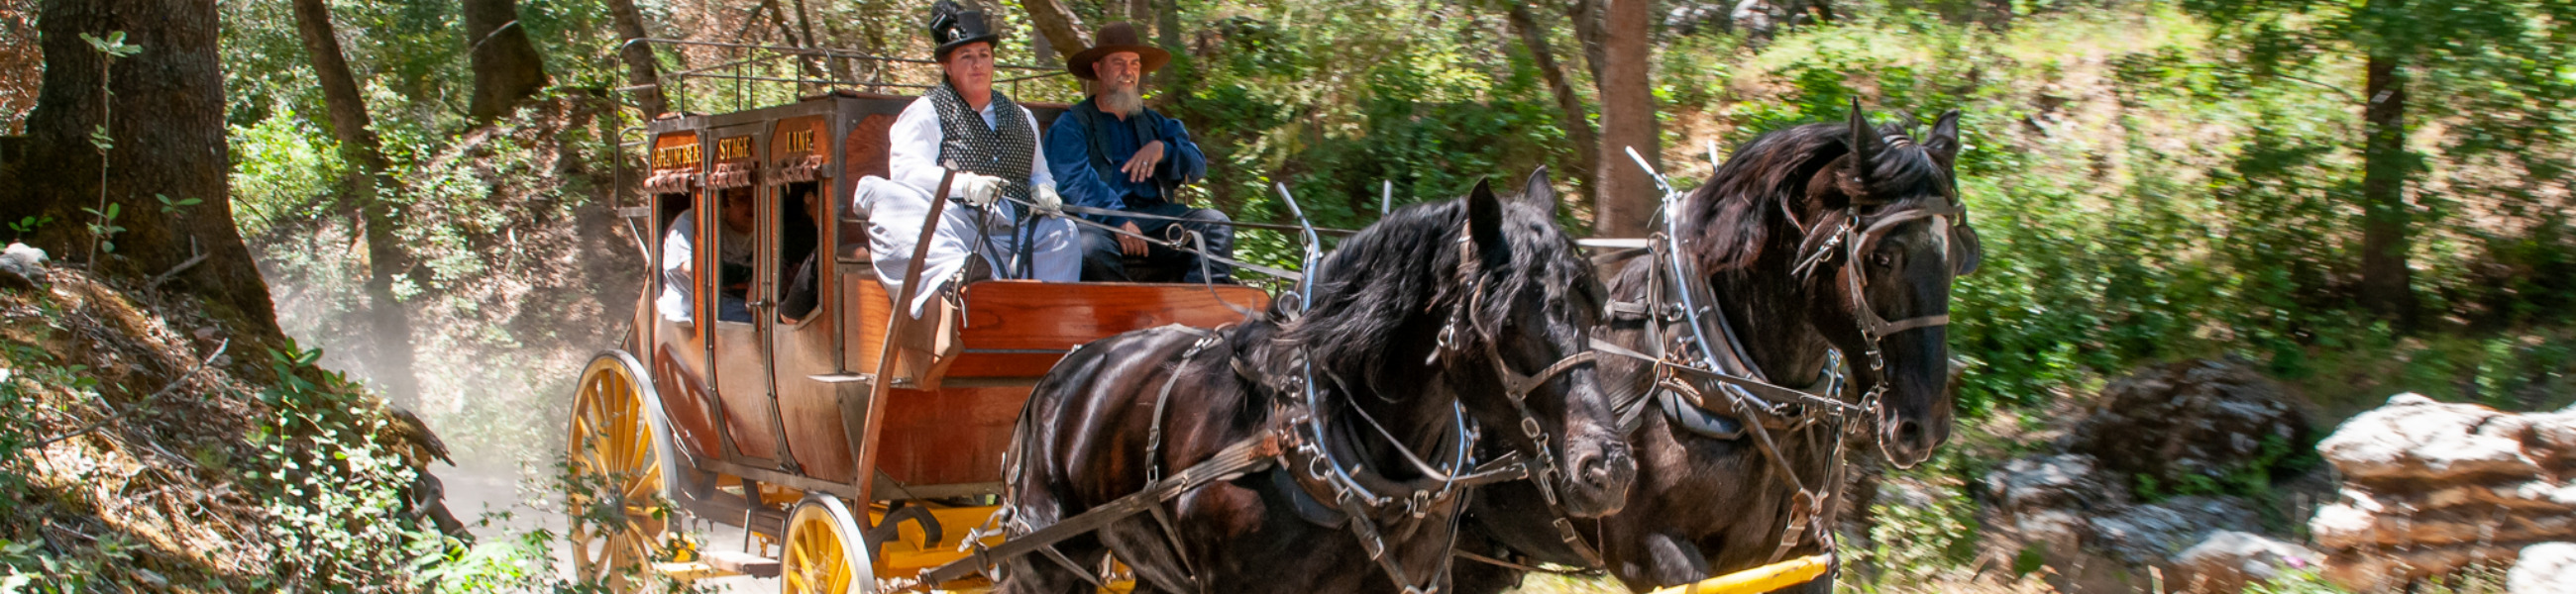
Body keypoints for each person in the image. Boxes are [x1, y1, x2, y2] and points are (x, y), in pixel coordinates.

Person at [852, 0, 1079, 316]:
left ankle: (1050, 318)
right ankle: (955, 279)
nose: (977, 65)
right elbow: (906, 173)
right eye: (966, 56)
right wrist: (966, 186)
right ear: (947, 65)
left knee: (1063, 230)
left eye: (984, 55)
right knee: (885, 196)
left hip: (1016, 232)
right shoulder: (925, 112)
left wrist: (1045, 190)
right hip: (957, 230)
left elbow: (1039, 173)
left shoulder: (1021, 116)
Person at [1045, 23, 1232, 283]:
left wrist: (1164, 150)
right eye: (1118, 63)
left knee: (1216, 225)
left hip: (1153, 220)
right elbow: (1073, 181)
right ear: (1098, 69)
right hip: (1098, 222)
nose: (1128, 71)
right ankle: (1125, 316)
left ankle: (1203, 314)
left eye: (1134, 64)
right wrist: (1116, 220)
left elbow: (1197, 165)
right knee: (1089, 248)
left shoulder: (1156, 124)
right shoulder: (1072, 124)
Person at [657, 188, 757, 326]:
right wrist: (748, 277)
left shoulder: (767, 230)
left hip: (734, 307)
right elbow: (693, 269)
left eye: (758, 197)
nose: (752, 205)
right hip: (689, 314)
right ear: (724, 202)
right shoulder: (693, 222)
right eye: (743, 198)